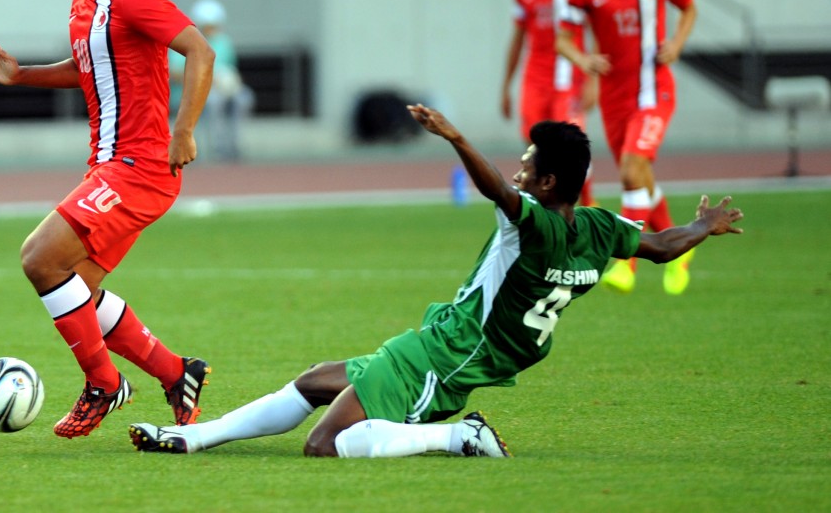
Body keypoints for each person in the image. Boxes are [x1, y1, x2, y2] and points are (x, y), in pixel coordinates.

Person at [128, 104, 743, 458]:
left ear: (550, 183)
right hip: (457, 342)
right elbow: (660, 246)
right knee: (317, 381)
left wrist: (455, 137)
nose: (520, 172)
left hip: (453, 355)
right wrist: (700, 224)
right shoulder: (601, 227)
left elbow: (495, 190)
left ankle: (458, 437)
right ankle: (192, 440)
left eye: (529, 166)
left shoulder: (534, 225)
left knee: (324, 445)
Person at [0, 0, 215, 439]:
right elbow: (88, 70)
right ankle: (178, 373)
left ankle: (103, 382)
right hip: (112, 166)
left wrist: (185, 130)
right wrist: (21, 74)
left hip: (142, 166)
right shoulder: (87, 3)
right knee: (76, 284)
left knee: (38, 258)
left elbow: (199, 52)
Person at [557, 0, 698, 295]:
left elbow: (689, 8)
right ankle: (680, 250)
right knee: (640, 176)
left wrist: (677, 44)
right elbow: (563, 39)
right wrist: (584, 59)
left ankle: (626, 264)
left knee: (631, 169)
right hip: (614, 98)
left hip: (655, 91)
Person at [502, 0, 596, 206]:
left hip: (568, 80)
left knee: (569, 149)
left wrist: (594, 79)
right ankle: (548, 214)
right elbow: (518, 38)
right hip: (535, 79)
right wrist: (506, 86)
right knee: (535, 149)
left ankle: (587, 207)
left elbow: (596, 30)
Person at [169, 0, 254, 161]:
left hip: (222, 90)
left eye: (215, 25)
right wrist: (208, 79)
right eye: (208, 25)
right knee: (214, 101)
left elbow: (231, 68)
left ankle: (235, 145)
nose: (211, 29)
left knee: (243, 98)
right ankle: (217, 147)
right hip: (192, 93)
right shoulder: (187, 39)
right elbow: (174, 72)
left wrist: (232, 81)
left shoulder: (224, 42)